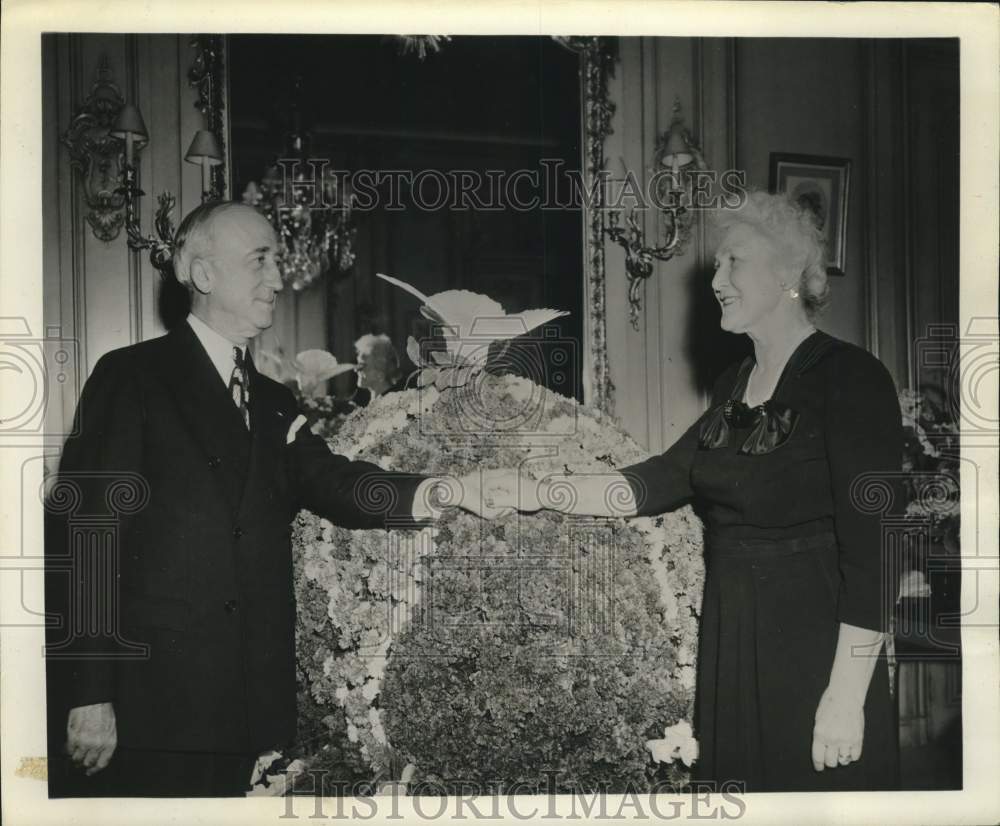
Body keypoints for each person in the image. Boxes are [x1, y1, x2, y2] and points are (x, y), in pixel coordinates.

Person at [44, 201, 496, 798]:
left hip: (238, 707)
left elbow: (335, 482)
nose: (278, 280)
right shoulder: (131, 377)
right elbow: (87, 537)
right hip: (148, 706)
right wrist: (90, 692)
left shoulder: (273, 399)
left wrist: (455, 490)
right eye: (260, 261)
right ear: (203, 276)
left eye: (277, 262)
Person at [488, 191, 903, 792]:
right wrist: (526, 489)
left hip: (816, 655)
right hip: (733, 645)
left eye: (734, 262)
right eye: (717, 265)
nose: (716, 279)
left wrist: (845, 696)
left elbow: (875, 556)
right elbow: (655, 480)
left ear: (788, 274)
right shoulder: (735, 384)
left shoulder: (853, 377)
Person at [353, 332, 406, 403]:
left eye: (363, 367)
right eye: (359, 365)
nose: (356, 371)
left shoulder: (391, 404)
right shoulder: (372, 401)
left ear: (380, 375)